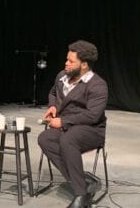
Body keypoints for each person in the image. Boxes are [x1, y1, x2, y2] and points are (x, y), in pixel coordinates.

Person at [38, 40, 108, 208]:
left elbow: (92, 115)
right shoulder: (62, 76)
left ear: (84, 65)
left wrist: (63, 121)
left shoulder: (97, 85)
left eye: (71, 61)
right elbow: (53, 92)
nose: (66, 63)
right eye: (66, 59)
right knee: (45, 138)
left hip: (91, 130)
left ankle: (80, 194)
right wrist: (53, 105)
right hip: (67, 128)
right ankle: (82, 181)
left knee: (68, 140)